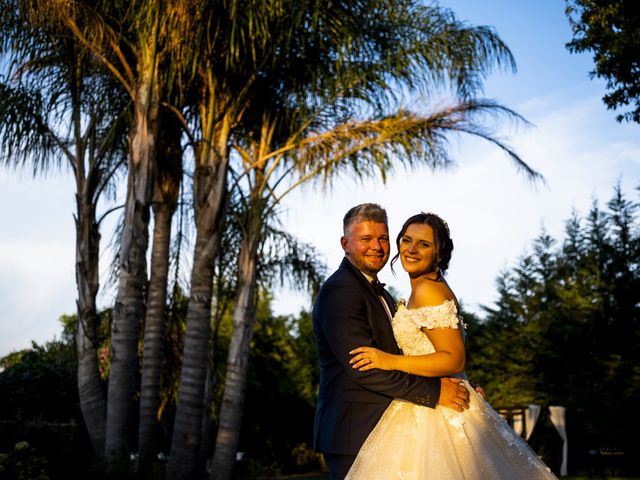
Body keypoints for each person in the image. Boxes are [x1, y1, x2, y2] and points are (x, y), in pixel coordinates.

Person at [345, 212, 557, 479]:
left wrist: (389, 360)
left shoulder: (428, 290)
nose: (411, 249)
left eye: (424, 244)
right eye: (407, 240)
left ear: (439, 253)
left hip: (437, 415)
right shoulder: (423, 288)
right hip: (428, 401)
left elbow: (454, 359)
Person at [312, 203, 471, 480]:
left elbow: (426, 353)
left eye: (382, 238)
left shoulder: (383, 294)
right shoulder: (340, 290)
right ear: (345, 244)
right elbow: (365, 367)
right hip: (355, 431)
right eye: (366, 239)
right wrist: (436, 392)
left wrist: (458, 382)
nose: (376, 246)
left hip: (395, 428)